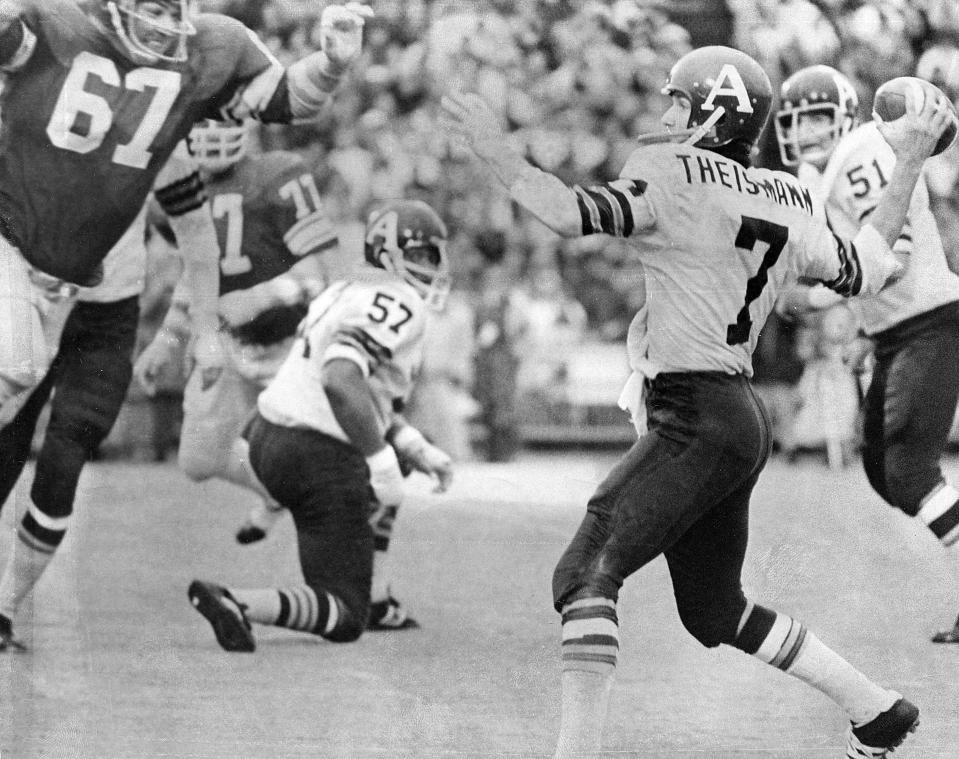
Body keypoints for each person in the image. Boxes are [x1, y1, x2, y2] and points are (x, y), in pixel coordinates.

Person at [442, 45, 951, 759]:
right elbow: (867, 265)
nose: (664, 114)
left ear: (712, 108)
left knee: (583, 574)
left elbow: (564, 213)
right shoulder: (788, 194)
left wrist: (495, 152)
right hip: (737, 418)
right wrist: (910, 163)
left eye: (676, 101)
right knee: (713, 609)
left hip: (694, 414)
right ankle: (876, 710)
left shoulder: (672, 170)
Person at [0, 0, 373, 652]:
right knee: (17, 384)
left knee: (68, 447)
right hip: (19, 256)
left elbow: (284, 99)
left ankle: (3, 608)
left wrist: (333, 63)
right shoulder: (55, 31)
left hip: (118, 304)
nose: (158, 20)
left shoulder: (203, 76)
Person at [186, 200, 454, 651]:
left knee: (396, 465)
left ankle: (374, 593)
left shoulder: (344, 290)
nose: (433, 267)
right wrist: (380, 460)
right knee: (346, 614)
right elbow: (341, 379)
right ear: (388, 252)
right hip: (315, 455)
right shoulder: (398, 300)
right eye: (423, 255)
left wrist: (410, 444)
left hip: (265, 437)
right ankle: (237, 601)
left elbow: (362, 395)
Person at [0, 143, 221, 653]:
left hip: (104, 317)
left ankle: (4, 609)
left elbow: (198, 236)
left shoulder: (159, 118)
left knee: (67, 452)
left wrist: (200, 330)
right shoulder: (43, 91)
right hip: (31, 295)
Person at [774, 64, 959, 644]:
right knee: (884, 472)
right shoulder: (823, 175)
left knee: (906, 471)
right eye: (796, 124)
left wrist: (815, 297)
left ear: (845, 116)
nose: (805, 136)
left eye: (817, 121)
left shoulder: (858, 153)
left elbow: (890, 256)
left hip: (926, 320)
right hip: (896, 331)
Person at [134, 118, 334, 549]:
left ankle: (356, 576)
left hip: (291, 341)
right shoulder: (181, 187)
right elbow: (196, 273)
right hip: (228, 340)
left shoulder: (279, 174)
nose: (207, 132)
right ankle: (278, 496)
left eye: (218, 120)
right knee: (198, 458)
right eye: (199, 121)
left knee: (331, 463)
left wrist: (259, 297)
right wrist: (166, 341)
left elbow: (318, 272)